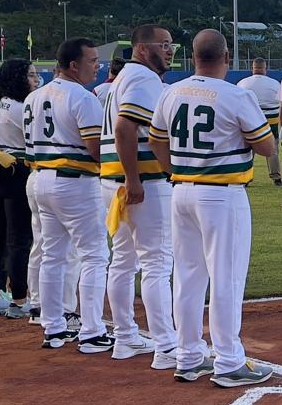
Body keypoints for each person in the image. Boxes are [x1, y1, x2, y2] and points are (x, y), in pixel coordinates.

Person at [149, 29, 274, 387]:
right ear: (227, 57)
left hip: (182, 191)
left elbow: (157, 140)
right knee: (226, 279)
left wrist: (175, 170)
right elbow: (266, 146)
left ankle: (188, 356)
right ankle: (230, 360)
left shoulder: (171, 91)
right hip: (222, 195)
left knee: (188, 278)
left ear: (193, 55)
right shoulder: (236, 94)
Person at [24, 37, 115, 352]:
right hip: (74, 180)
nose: (98, 65)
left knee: (53, 255)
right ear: (74, 65)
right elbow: (94, 149)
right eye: (92, 60)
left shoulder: (34, 97)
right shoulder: (83, 96)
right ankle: (91, 331)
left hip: (40, 177)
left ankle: (54, 327)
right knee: (94, 255)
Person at [100, 24, 178, 370]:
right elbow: (125, 126)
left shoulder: (124, 78)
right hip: (140, 180)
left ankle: (126, 337)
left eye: (172, 45)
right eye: (164, 45)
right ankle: (166, 346)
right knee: (157, 262)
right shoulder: (144, 79)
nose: (171, 50)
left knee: (123, 261)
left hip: (111, 179)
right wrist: (134, 178)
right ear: (143, 49)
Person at [25, 63, 82, 328]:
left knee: (44, 246)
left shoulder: (32, 97)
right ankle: (66, 311)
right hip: (65, 175)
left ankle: (39, 306)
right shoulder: (76, 95)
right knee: (71, 251)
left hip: (37, 173)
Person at [0, 58, 39, 318]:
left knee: (5, 236)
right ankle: (19, 298)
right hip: (18, 171)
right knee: (20, 238)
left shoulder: (4, 102)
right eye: (31, 75)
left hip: (5, 167)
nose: (36, 80)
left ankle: (7, 294)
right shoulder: (18, 107)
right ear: (18, 78)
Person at [237, 58, 281, 186]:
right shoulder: (275, 84)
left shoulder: (242, 83)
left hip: (250, 120)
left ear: (253, 68)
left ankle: (245, 177)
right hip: (270, 121)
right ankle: (276, 177)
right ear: (265, 68)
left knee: (248, 149)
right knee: (273, 149)